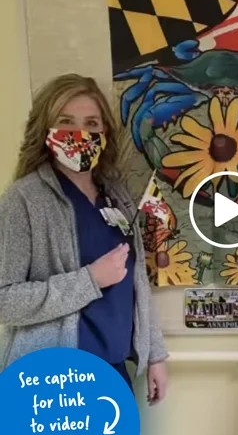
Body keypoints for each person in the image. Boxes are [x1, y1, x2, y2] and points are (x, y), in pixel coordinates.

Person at [0, 74, 168, 406]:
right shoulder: (23, 200)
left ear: (104, 133)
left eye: (91, 123)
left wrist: (156, 355)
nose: (80, 134)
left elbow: (137, 283)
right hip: (53, 382)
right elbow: (5, 301)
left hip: (114, 374)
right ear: (46, 131)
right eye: (66, 122)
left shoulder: (115, 195)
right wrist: (89, 280)